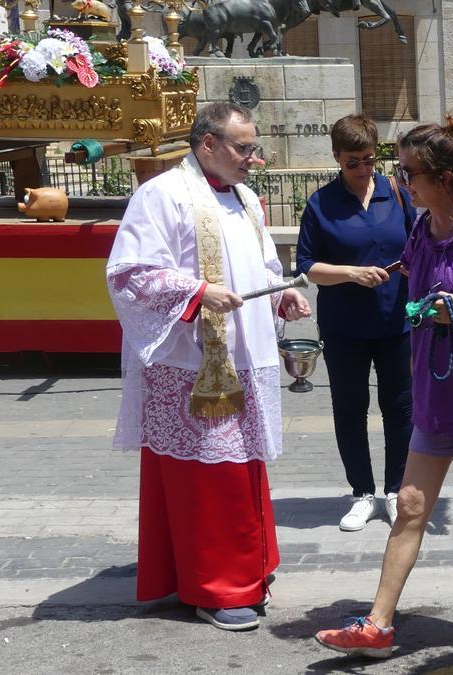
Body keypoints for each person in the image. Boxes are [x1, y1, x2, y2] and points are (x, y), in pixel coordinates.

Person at [313, 114, 453, 657]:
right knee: (411, 507)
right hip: (438, 395)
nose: (399, 179)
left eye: (408, 170)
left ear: (440, 176)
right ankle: (378, 625)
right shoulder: (423, 228)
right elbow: (412, 278)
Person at [106, 101, 311, 631]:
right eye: (244, 148)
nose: (253, 159)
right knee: (207, 479)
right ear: (208, 145)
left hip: (246, 354)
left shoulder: (245, 198)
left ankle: (247, 569)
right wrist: (196, 292)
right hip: (192, 362)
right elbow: (129, 274)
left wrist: (279, 298)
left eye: (253, 148)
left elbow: (261, 264)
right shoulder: (162, 195)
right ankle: (217, 588)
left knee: (241, 471)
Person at [296, 113, 416, 532]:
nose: (363, 170)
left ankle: (396, 490)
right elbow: (307, 267)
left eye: (369, 160)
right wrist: (351, 272)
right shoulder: (321, 203)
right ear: (336, 158)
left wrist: (411, 268)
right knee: (350, 409)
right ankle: (362, 493)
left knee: (400, 408)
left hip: (396, 321)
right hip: (344, 325)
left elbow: (419, 244)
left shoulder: (397, 195)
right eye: (353, 163)